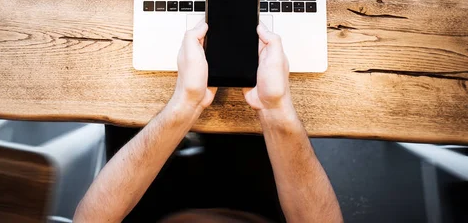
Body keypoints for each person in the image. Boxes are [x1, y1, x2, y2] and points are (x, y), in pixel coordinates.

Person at [74, 22, 342, 223]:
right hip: (250, 204)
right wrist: (274, 108)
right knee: (241, 136)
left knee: (127, 118)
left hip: (150, 209)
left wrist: (186, 104)